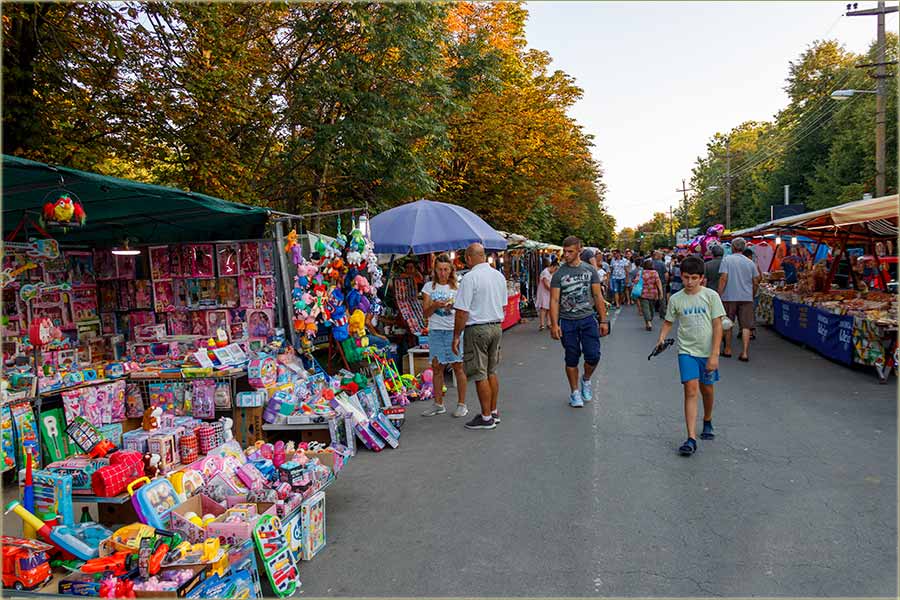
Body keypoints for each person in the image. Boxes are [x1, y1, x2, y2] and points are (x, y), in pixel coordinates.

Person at [656, 255, 726, 457]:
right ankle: (691, 438)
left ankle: (708, 419)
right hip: (686, 351)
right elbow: (669, 321)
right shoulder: (676, 299)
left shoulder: (711, 296)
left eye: (694, 278)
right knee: (691, 390)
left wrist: (715, 355)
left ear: (702, 278)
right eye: (686, 277)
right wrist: (661, 338)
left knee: (707, 390)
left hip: (707, 352)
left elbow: (717, 325)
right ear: (681, 276)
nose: (689, 282)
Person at [452, 243, 508, 430]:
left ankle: (485, 418)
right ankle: (493, 411)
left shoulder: (470, 278)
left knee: (479, 373)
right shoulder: (498, 276)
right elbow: (503, 306)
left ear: (469, 258)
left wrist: (456, 336)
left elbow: (461, 312)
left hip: (477, 328)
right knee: (491, 371)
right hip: (496, 326)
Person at [550, 236, 609, 408]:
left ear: (579, 251)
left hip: (588, 319)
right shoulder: (559, 274)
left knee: (593, 355)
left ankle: (586, 379)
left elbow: (598, 295)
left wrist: (604, 320)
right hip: (567, 322)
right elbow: (554, 300)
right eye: (565, 251)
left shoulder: (590, 270)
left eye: (570, 251)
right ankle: (575, 392)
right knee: (571, 358)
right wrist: (554, 325)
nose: (566, 255)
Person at [420, 254, 469, 418]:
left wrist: (452, 306)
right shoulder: (428, 287)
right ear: (435, 270)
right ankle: (438, 404)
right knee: (436, 367)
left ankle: (462, 404)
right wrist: (434, 305)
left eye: (445, 269)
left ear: (451, 270)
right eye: (439, 269)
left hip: (453, 331)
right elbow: (426, 313)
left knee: (458, 366)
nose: (442, 273)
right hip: (435, 330)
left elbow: (464, 310)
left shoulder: (458, 287)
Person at [718, 237, 760, 362]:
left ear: (732, 247)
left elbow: (723, 278)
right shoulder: (750, 262)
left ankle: (728, 349)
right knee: (746, 326)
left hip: (729, 296)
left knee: (728, 324)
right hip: (746, 298)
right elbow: (756, 281)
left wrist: (719, 294)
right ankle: (745, 352)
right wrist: (752, 294)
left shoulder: (727, 260)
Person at [639, 258, 664, 331]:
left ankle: (648, 322)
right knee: (651, 308)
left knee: (645, 308)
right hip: (653, 293)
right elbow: (658, 282)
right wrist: (661, 292)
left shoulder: (641, 272)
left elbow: (636, 281)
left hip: (643, 292)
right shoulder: (655, 273)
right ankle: (649, 321)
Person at [536, 256, 559, 331]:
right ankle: (542, 324)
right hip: (544, 292)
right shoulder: (545, 272)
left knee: (549, 308)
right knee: (544, 308)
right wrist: (553, 289)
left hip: (549, 292)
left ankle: (549, 323)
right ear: (552, 266)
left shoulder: (551, 273)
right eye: (555, 269)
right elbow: (546, 284)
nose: (555, 271)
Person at [651, 250, 669, 318]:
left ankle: (651, 312)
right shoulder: (662, 263)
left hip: (652, 283)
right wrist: (666, 281)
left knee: (652, 298)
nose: (662, 256)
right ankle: (662, 313)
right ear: (658, 256)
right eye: (661, 255)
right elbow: (666, 274)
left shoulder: (651, 263)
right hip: (662, 282)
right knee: (662, 298)